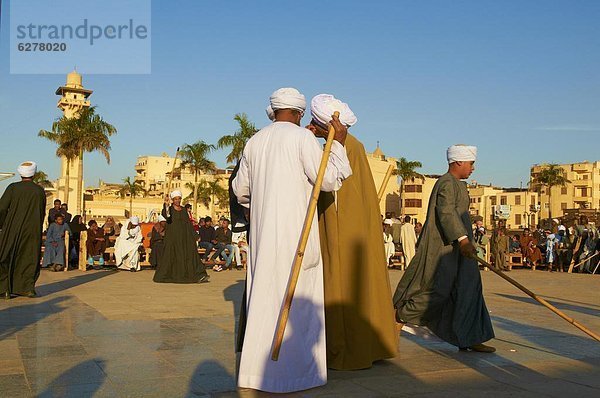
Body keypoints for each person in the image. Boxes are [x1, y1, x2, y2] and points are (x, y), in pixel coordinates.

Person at [232, 88, 352, 392]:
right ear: (299, 113)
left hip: (262, 238)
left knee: (263, 298)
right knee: (299, 302)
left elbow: (240, 190)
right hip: (296, 236)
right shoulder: (302, 139)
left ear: (273, 111)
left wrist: (262, 204)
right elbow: (328, 179)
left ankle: (256, 374)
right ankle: (295, 375)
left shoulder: (254, 142)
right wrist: (336, 145)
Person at [393, 145, 496, 353]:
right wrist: (462, 239)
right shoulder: (446, 184)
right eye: (471, 164)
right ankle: (399, 316)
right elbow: (446, 213)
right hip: (446, 249)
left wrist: (466, 243)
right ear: (458, 162)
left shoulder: (459, 185)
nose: (473, 168)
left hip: (462, 251)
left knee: (469, 290)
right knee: (437, 290)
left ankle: (470, 336)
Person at [0, 161, 46, 299]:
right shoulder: (39, 191)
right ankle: (27, 289)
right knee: (29, 257)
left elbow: (2, 208)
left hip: (12, 228)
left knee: (6, 256)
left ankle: (4, 290)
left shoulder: (13, 188)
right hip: (32, 230)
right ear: (33, 173)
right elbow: (41, 212)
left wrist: (2, 224)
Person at [153, 190, 209, 284]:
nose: (177, 201)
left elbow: (188, 224)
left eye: (179, 199)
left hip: (184, 237)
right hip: (172, 238)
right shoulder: (169, 209)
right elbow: (167, 216)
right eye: (175, 199)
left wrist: (195, 235)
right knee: (172, 255)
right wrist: (166, 205)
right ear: (172, 200)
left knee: (190, 253)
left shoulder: (183, 210)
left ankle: (199, 275)